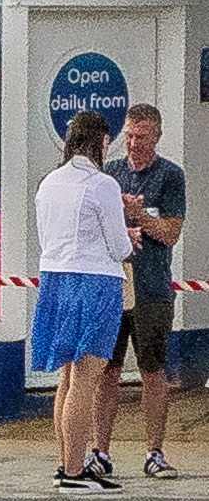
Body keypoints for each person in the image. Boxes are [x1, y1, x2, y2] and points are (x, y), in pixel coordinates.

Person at [33, 110, 132, 495]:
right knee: (86, 378)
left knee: (67, 378)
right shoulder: (103, 185)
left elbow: (46, 238)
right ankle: (75, 473)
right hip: (95, 282)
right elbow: (119, 246)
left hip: (55, 280)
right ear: (101, 142)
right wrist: (130, 238)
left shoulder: (48, 183)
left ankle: (66, 465)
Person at [94, 103, 186, 481]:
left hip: (152, 287)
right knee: (106, 371)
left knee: (152, 371)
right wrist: (120, 218)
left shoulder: (170, 176)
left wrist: (140, 216)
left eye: (142, 137)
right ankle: (100, 451)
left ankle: (154, 451)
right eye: (129, 136)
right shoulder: (110, 174)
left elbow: (171, 232)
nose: (134, 144)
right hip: (114, 286)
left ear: (157, 136)